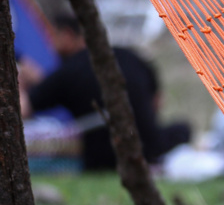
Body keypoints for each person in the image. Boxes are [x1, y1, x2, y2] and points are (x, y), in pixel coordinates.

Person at [19, 14, 189, 171]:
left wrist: (17, 79)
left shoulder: (67, 73)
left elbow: (22, 109)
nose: (50, 45)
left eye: (53, 37)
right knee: (183, 128)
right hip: (148, 147)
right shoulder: (129, 56)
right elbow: (157, 101)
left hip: (102, 159)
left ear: (67, 36)